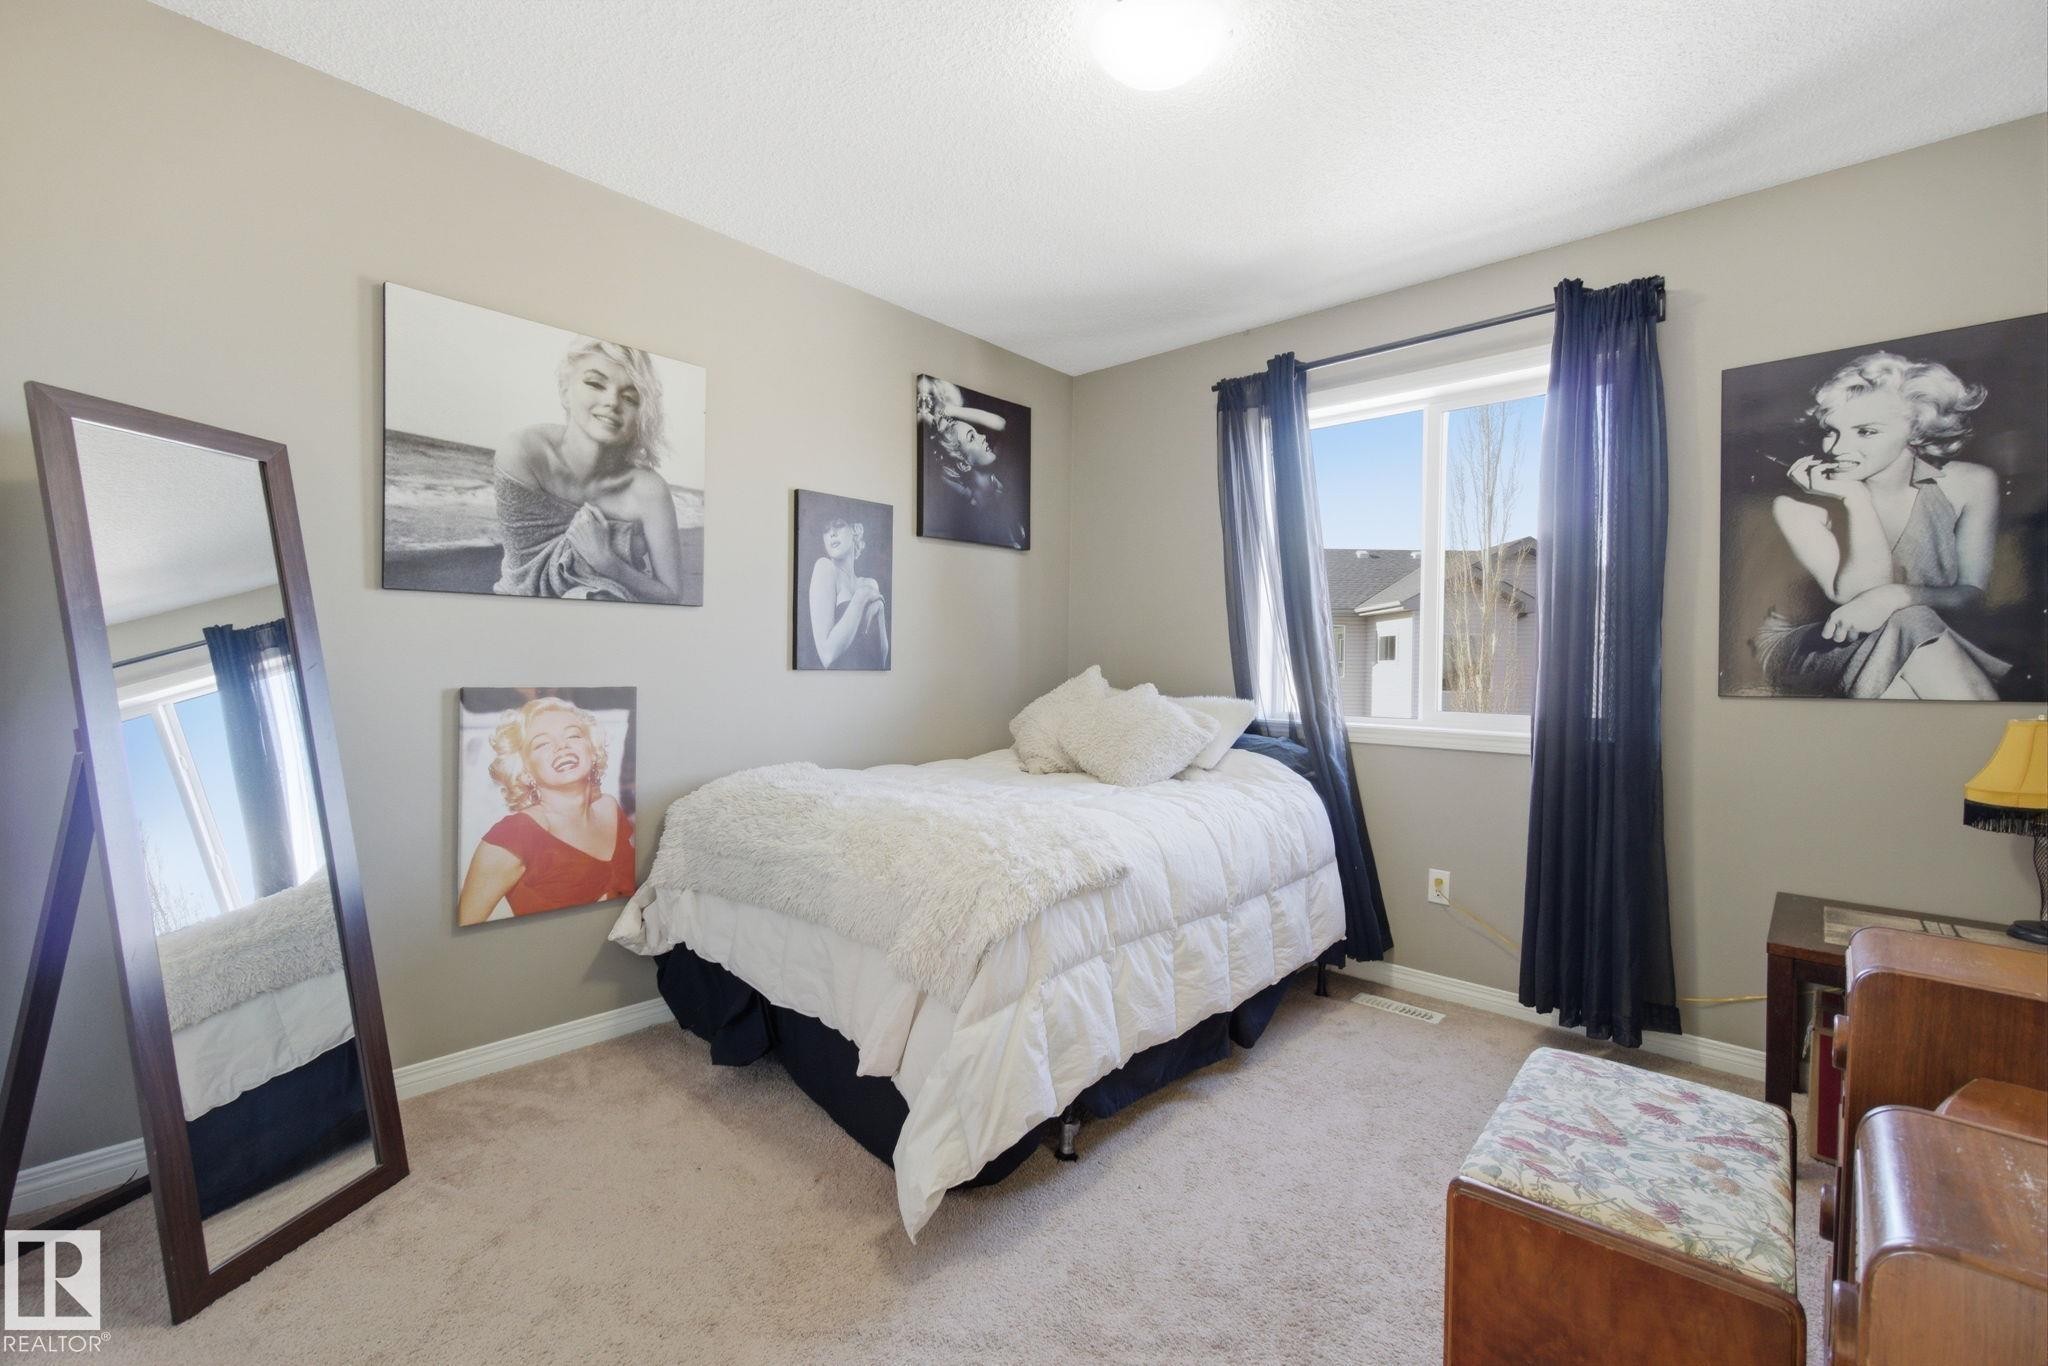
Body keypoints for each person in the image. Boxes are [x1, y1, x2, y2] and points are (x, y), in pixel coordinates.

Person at [1754, 351, 2006, 699]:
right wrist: (1855, 498)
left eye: (1865, 431)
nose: (1839, 447)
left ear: (1917, 429)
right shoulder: (1796, 506)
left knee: (1909, 629)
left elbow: (1970, 595)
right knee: (1912, 625)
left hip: (1912, 633)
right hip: (1811, 645)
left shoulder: (1971, 484)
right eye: (1832, 431)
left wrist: (1897, 596)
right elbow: (1857, 599)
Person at [492, 337, 686, 603]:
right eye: (595, 383)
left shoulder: (648, 490)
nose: (612, 402)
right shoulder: (523, 453)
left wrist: (608, 563)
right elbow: (524, 578)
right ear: (564, 391)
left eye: (630, 398)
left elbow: (672, 594)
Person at [456, 697, 634, 923]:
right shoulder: (513, 835)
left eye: (573, 735)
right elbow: (464, 927)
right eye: (542, 743)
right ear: (525, 769)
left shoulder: (609, 808)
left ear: (592, 749)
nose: (562, 746)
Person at [807, 517, 889, 669]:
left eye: (838, 525)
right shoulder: (824, 568)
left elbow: (882, 660)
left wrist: (881, 609)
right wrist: (861, 597)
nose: (832, 533)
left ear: (855, 530)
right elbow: (827, 655)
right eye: (826, 530)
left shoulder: (870, 584)